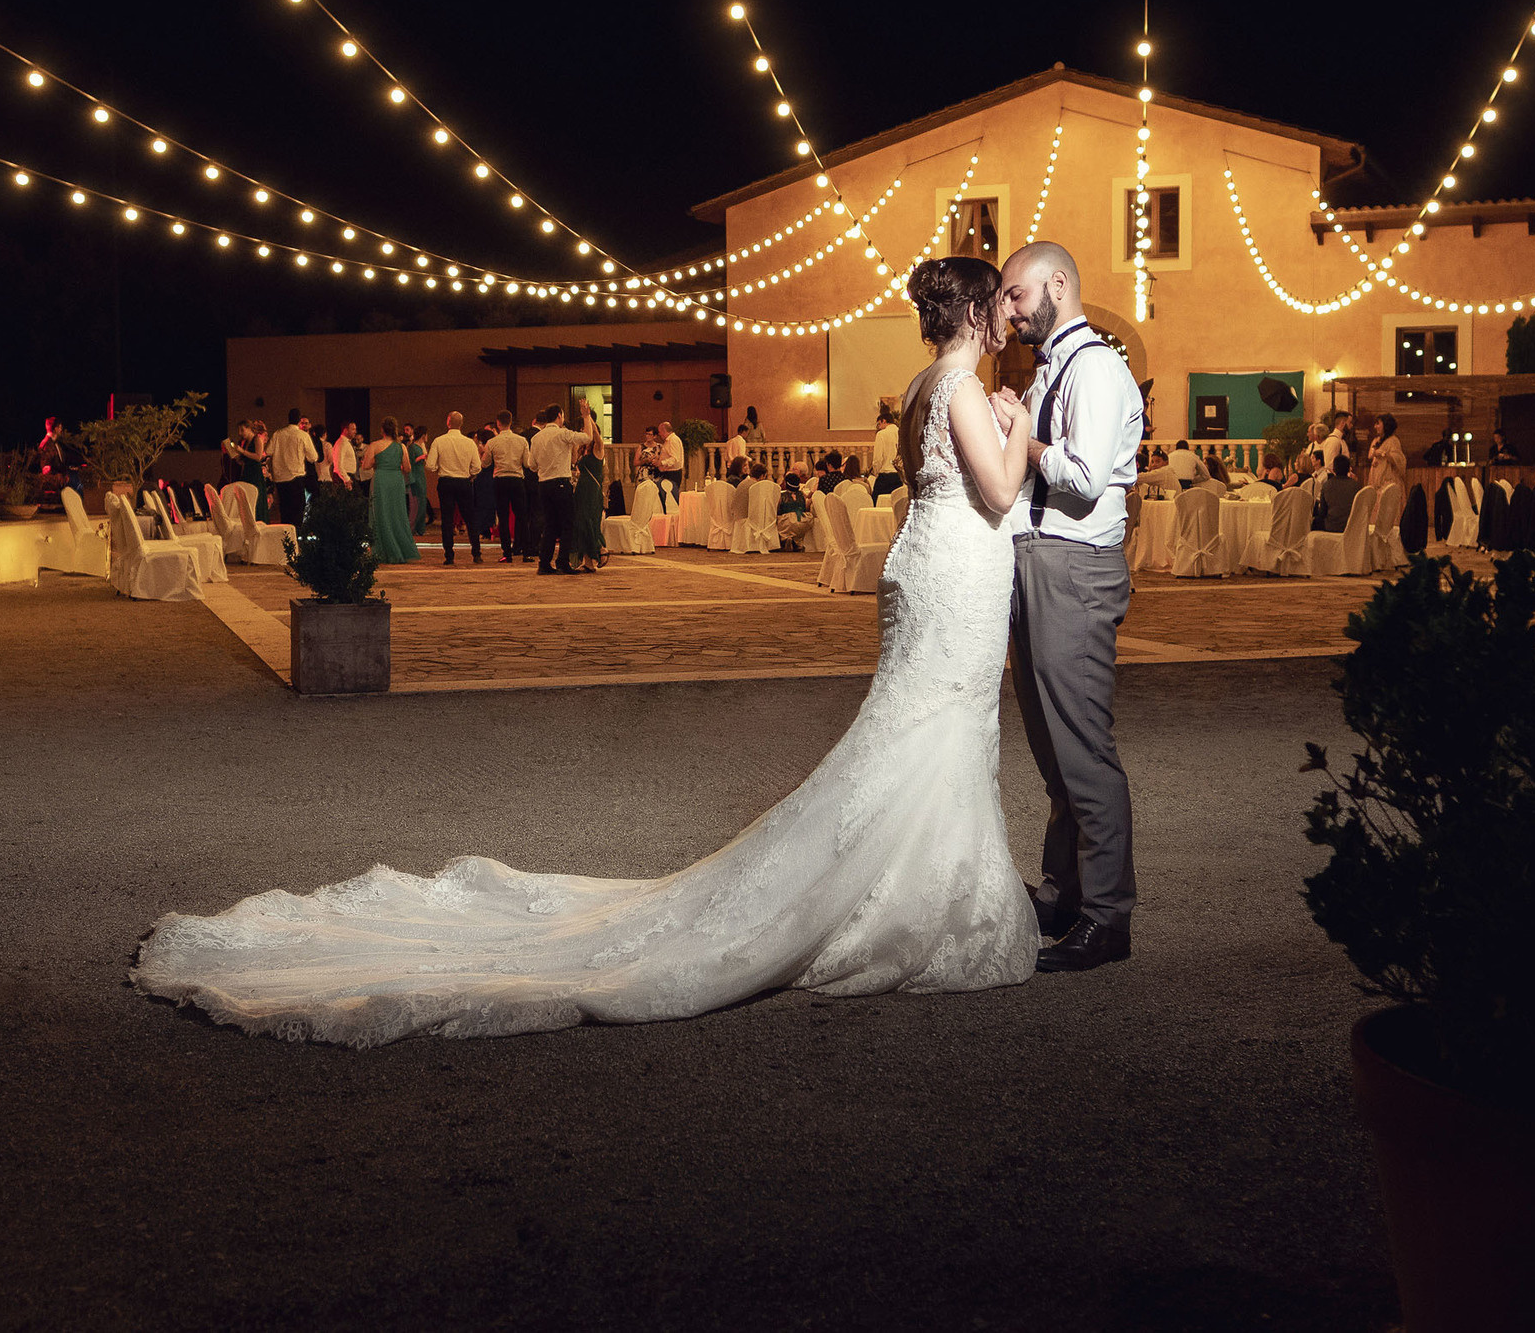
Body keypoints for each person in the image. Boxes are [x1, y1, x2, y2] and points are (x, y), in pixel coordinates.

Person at [132, 252, 1042, 1045]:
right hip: (955, 570)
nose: (1007, 317)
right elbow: (1000, 491)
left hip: (935, 568)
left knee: (920, 728)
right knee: (930, 728)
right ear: (970, 313)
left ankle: (919, 887)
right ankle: (918, 905)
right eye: (997, 303)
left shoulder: (926, 385)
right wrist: (1025, 419)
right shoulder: (961, 387)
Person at [997, 241, 1146, 974]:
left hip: (1075, 568)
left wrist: (1023, 440)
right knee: (1055, 753)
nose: (1010, 310)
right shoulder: (1050, 369)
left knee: (1084, 749)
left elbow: (1085, 476)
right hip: (1038, 563)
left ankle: (1108, 917)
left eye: (1016, 295)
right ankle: (1063, 894)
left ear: (1059, 282)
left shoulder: (1097, 367)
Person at [528, 404, 587, 575]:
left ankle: (544, 563)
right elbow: (587, 438)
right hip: (560, 482)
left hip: (543, 484)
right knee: (568, 523)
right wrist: (586, 417)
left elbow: (532, 466)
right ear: (559, 416)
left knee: (550, 525)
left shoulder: (537, 438)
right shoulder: (563, 433)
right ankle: (562, 562)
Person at [427, 412, 486, 565]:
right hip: (464, 482)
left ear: (448, 422)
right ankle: (476, 554)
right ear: (461, 424)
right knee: (470, 518)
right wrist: (469, 474)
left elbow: (430, 465)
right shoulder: (469, 443)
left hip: (446, 482)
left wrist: (442, 467)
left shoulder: (439, 441)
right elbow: (477, 467)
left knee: (447, 520)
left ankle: (449, 556)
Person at [366, 418, 420, 565]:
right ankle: (400, 548)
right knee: (397, 513)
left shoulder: (375, 445)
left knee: (380, 512)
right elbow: (407, 468)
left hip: (381, 479)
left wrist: (379, 462)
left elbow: (366, 465)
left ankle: (381, 550)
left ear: (382, 430)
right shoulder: (401, 447)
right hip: (396, 480)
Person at [567, 400, 608, 573]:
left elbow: (596, 436)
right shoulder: (582, 451)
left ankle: (600, 549)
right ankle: (589, 561)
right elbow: (573, 463)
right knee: (580, 523)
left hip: (592, 490)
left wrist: (587, 416)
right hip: (581, 489)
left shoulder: (598, 449)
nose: (584, 432)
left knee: (589, 521)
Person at [487, 412, 532, 563]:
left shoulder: (493, 442)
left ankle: (507, 553)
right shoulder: (522, 441)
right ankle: (526, 552)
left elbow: (485, 463)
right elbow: (527, 463)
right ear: (511, 422)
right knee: (522, 516)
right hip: (517, 480)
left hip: (500, 480)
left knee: (503, 517)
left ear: (498, 423)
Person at [267, 409, 317, 527]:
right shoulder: (303, 435)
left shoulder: (278, 434)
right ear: (299, 421)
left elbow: (268, 451)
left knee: (284, 511)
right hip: (296, 478)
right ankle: (295, 540)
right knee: (297, 512)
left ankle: (285, 539)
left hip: (280, 479)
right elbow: (313, 457)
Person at [1316, 452, 1362, 533]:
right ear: (1348, 469)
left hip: (1332, 527)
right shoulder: (1356, 486)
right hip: (1352, 527)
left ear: (1334, 469)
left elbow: (1322, 512)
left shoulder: (1327, 485)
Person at [1366, 413, 1407, 499]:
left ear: (1386, 425)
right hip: (1376, 483)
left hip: (1389, 484)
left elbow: (1399, 459)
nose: (1375, 426)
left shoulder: (1393, 441)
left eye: (1378, 424)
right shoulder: (1376, 440)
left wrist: (1383, 453)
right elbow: (1370, 456)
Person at [870, 405, 902, 499]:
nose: (879, 427)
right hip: (899, 477)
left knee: (877, 503)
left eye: (879, 424)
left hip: (885, 476)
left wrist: (876, 472)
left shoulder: (881, 434)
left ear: (884, 421)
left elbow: (878, 459)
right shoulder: (901, 433)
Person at [652, 421, 685, 508]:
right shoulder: (668, 440)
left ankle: (675, 518)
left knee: (672, 500)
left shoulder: (673, 440)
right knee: (665, 500)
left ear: (664, 431)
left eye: (660, 432)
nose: (659, 434)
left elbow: (675, 458)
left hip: (673, 474)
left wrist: (661, 462)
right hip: (667, 473)